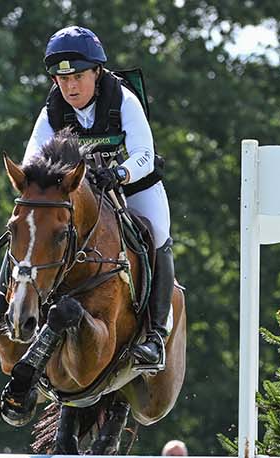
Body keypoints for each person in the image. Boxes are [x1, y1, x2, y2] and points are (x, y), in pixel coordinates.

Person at [24, 25, 174, 372]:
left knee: (158, 235)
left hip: (135, 185)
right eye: (63, 80)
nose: (70, 87)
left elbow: (143, 154)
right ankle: (12, 310)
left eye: (78, 77)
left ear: (97, 72)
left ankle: (155, 335)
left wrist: (119, 174)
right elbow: (33, 157)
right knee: (30, 229)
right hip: (82, 194)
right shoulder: (53, 107)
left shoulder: (123, 99)